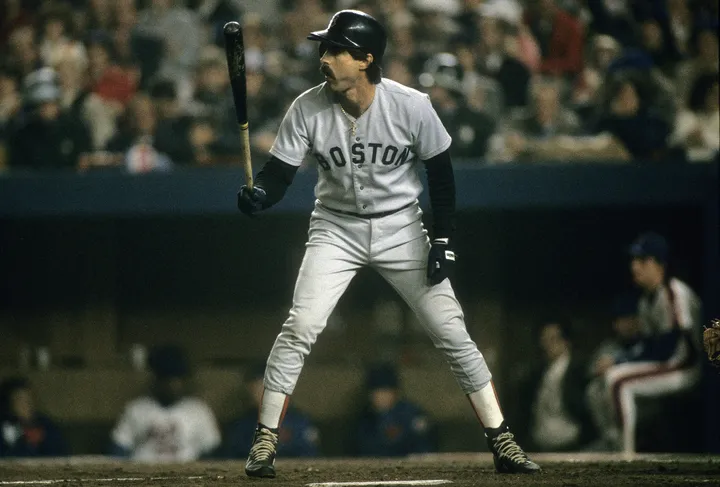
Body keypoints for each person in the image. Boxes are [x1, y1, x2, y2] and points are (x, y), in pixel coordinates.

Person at [236, 9, 540, 478]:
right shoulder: (306, 106)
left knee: (451, 332)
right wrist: (261, 196)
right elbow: (278, 176)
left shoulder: (411, 105)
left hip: (401, 228)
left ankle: (503, 440)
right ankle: (265, 442)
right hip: (335, 228)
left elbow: (441, 176)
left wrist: (442, 239)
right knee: (300, 325)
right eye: (325, 48)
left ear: (365, 58)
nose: (324, 57)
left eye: (334, 49)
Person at [585, 233, 703, 454]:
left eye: (641, 261)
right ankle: (618, 444)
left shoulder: (673, 293)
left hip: (687, 366)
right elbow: (651, 346)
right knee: (607, 381)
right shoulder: (646, 299)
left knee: (618, 381)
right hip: (668, 364)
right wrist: (619, 360)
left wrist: (621, 360)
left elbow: (669, 346)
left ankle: (626, 454)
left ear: (658, 264)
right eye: (633, 260)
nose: (634, 266)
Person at [109, 344, 221, 462]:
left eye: (177, 379)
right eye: (166, 378)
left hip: (187, 476)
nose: (172, 384)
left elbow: (212, 453)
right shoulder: (136, 408)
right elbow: (118, 450)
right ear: (156, 378)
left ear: (185, 380)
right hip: (143, 475)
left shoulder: (199, 410)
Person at [519, 320, 595, 452]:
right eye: (545, 340)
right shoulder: (537, 372)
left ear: (566, 341)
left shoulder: (579, 368)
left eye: (553, 339)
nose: (548, 344)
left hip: (570, 438)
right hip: (540, 440)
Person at [220, 365, 319, 458]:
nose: (258, 392)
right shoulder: (243, 424)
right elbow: (231, 456)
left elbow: (310, 456)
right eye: (255, 387)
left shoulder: (298, 421)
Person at [354, 363, 434, 457]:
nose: (382, 396)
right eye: (377, 392)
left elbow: (423, 446)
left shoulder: (411, 414)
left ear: (395, 392)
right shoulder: (365, 420)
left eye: (386, 391)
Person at [0, 376, 68, 457]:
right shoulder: (4, 427)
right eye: (20, 400)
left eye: (29, 399)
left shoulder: (45, 424)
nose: (27, 404)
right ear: (9, 403)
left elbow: (61, 453)